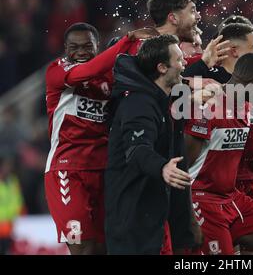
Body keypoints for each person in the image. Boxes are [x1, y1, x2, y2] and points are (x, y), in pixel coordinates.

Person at [44, 22, 152, 255]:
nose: (80, 52)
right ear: (65, 48)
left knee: (106, 247)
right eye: (74, 47)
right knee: (83, 248)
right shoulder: (57, 70)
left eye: (87, 46)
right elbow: (87, 72)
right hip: (67, 171)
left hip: (105, 171)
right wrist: (126, 41)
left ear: (97, 46)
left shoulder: (110, 79)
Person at [184, 53, 253, 255]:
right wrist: (189, 215)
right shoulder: (208, 108)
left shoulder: (247, 109)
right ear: (250, 84)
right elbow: (183, 167)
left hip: (231, 197)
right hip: (202, 201)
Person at [104, 34, 192, 254]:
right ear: (162, 68)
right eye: (180, 60)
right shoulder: (139, 104)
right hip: (131, 219)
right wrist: (162, 167)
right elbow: (137, 149)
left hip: (149, 213)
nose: (185, 64)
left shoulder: (159, 99)